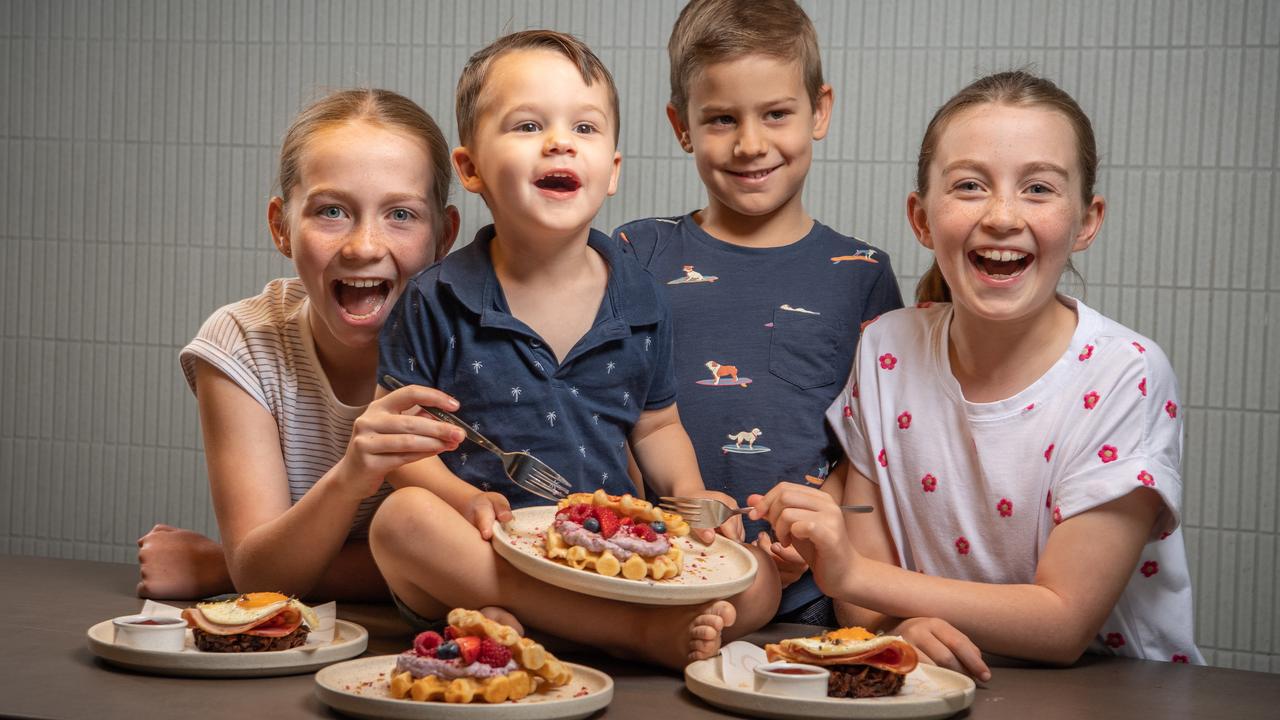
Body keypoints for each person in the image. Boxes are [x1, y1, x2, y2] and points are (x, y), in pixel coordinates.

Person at [749, 71, 1204, 680]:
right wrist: (901, 629)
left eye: (1039, 188)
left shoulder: (1127, 374)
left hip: (1114, 691)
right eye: (969, 185)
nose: (1001, 215)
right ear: (922, 218)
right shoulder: (886, 349)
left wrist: (854, 574)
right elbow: (861, 602)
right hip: (939, 683)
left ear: (1087, 220)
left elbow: (1064, 624)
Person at [369, 30, 780, 669]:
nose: (560, 142)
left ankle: (538, 627)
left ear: (612, 171)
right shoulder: (436, 297)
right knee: (401, 522)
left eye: (585, 129)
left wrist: (696, 502)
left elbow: (659, 424)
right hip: (489, 547)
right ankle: (627, 635)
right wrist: (460, 500)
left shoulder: (641, 297)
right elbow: (399, 447)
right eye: (528, 124)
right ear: (470, 167)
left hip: (614, 554)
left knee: (760, 580)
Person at [612, 0, 903, 628]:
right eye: (721, 119)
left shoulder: (863, 272)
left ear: (819, 110)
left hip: (808, 598)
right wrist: (673, 520)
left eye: (776, 114)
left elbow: (868, 444)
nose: (750, 144)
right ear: (680, 125)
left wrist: (810, 530)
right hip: (654, 579)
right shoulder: (637, 252)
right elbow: (607, 405)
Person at [137, 89, 471, 603]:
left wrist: (228, 569)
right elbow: (264, 576)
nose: (364, 246)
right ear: (281, 227)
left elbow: (488, 554)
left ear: (443, 236)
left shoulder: (479, 341)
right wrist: (350, 477)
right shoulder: (244, 343)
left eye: (400, 214)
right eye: (332, 211)